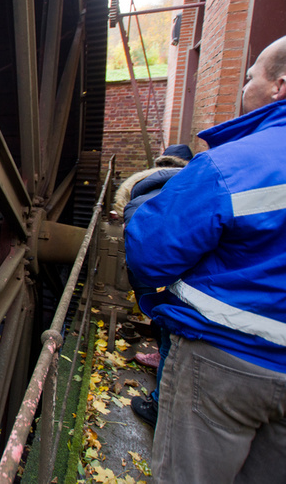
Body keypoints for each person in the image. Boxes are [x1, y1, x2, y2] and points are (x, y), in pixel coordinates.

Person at [125, 36, 286, 482]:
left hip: (226, 362)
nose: (243, 88)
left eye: (251, 76)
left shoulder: (237, 164)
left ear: (280, 87)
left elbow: (151, 252)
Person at [112, 144, 193, 427]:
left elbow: (137, 238)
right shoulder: (189, 186)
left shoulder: (142, 190)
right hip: (184, 274)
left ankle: (159, 405)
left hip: (157, 270)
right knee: (171, 324)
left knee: (166, 322)